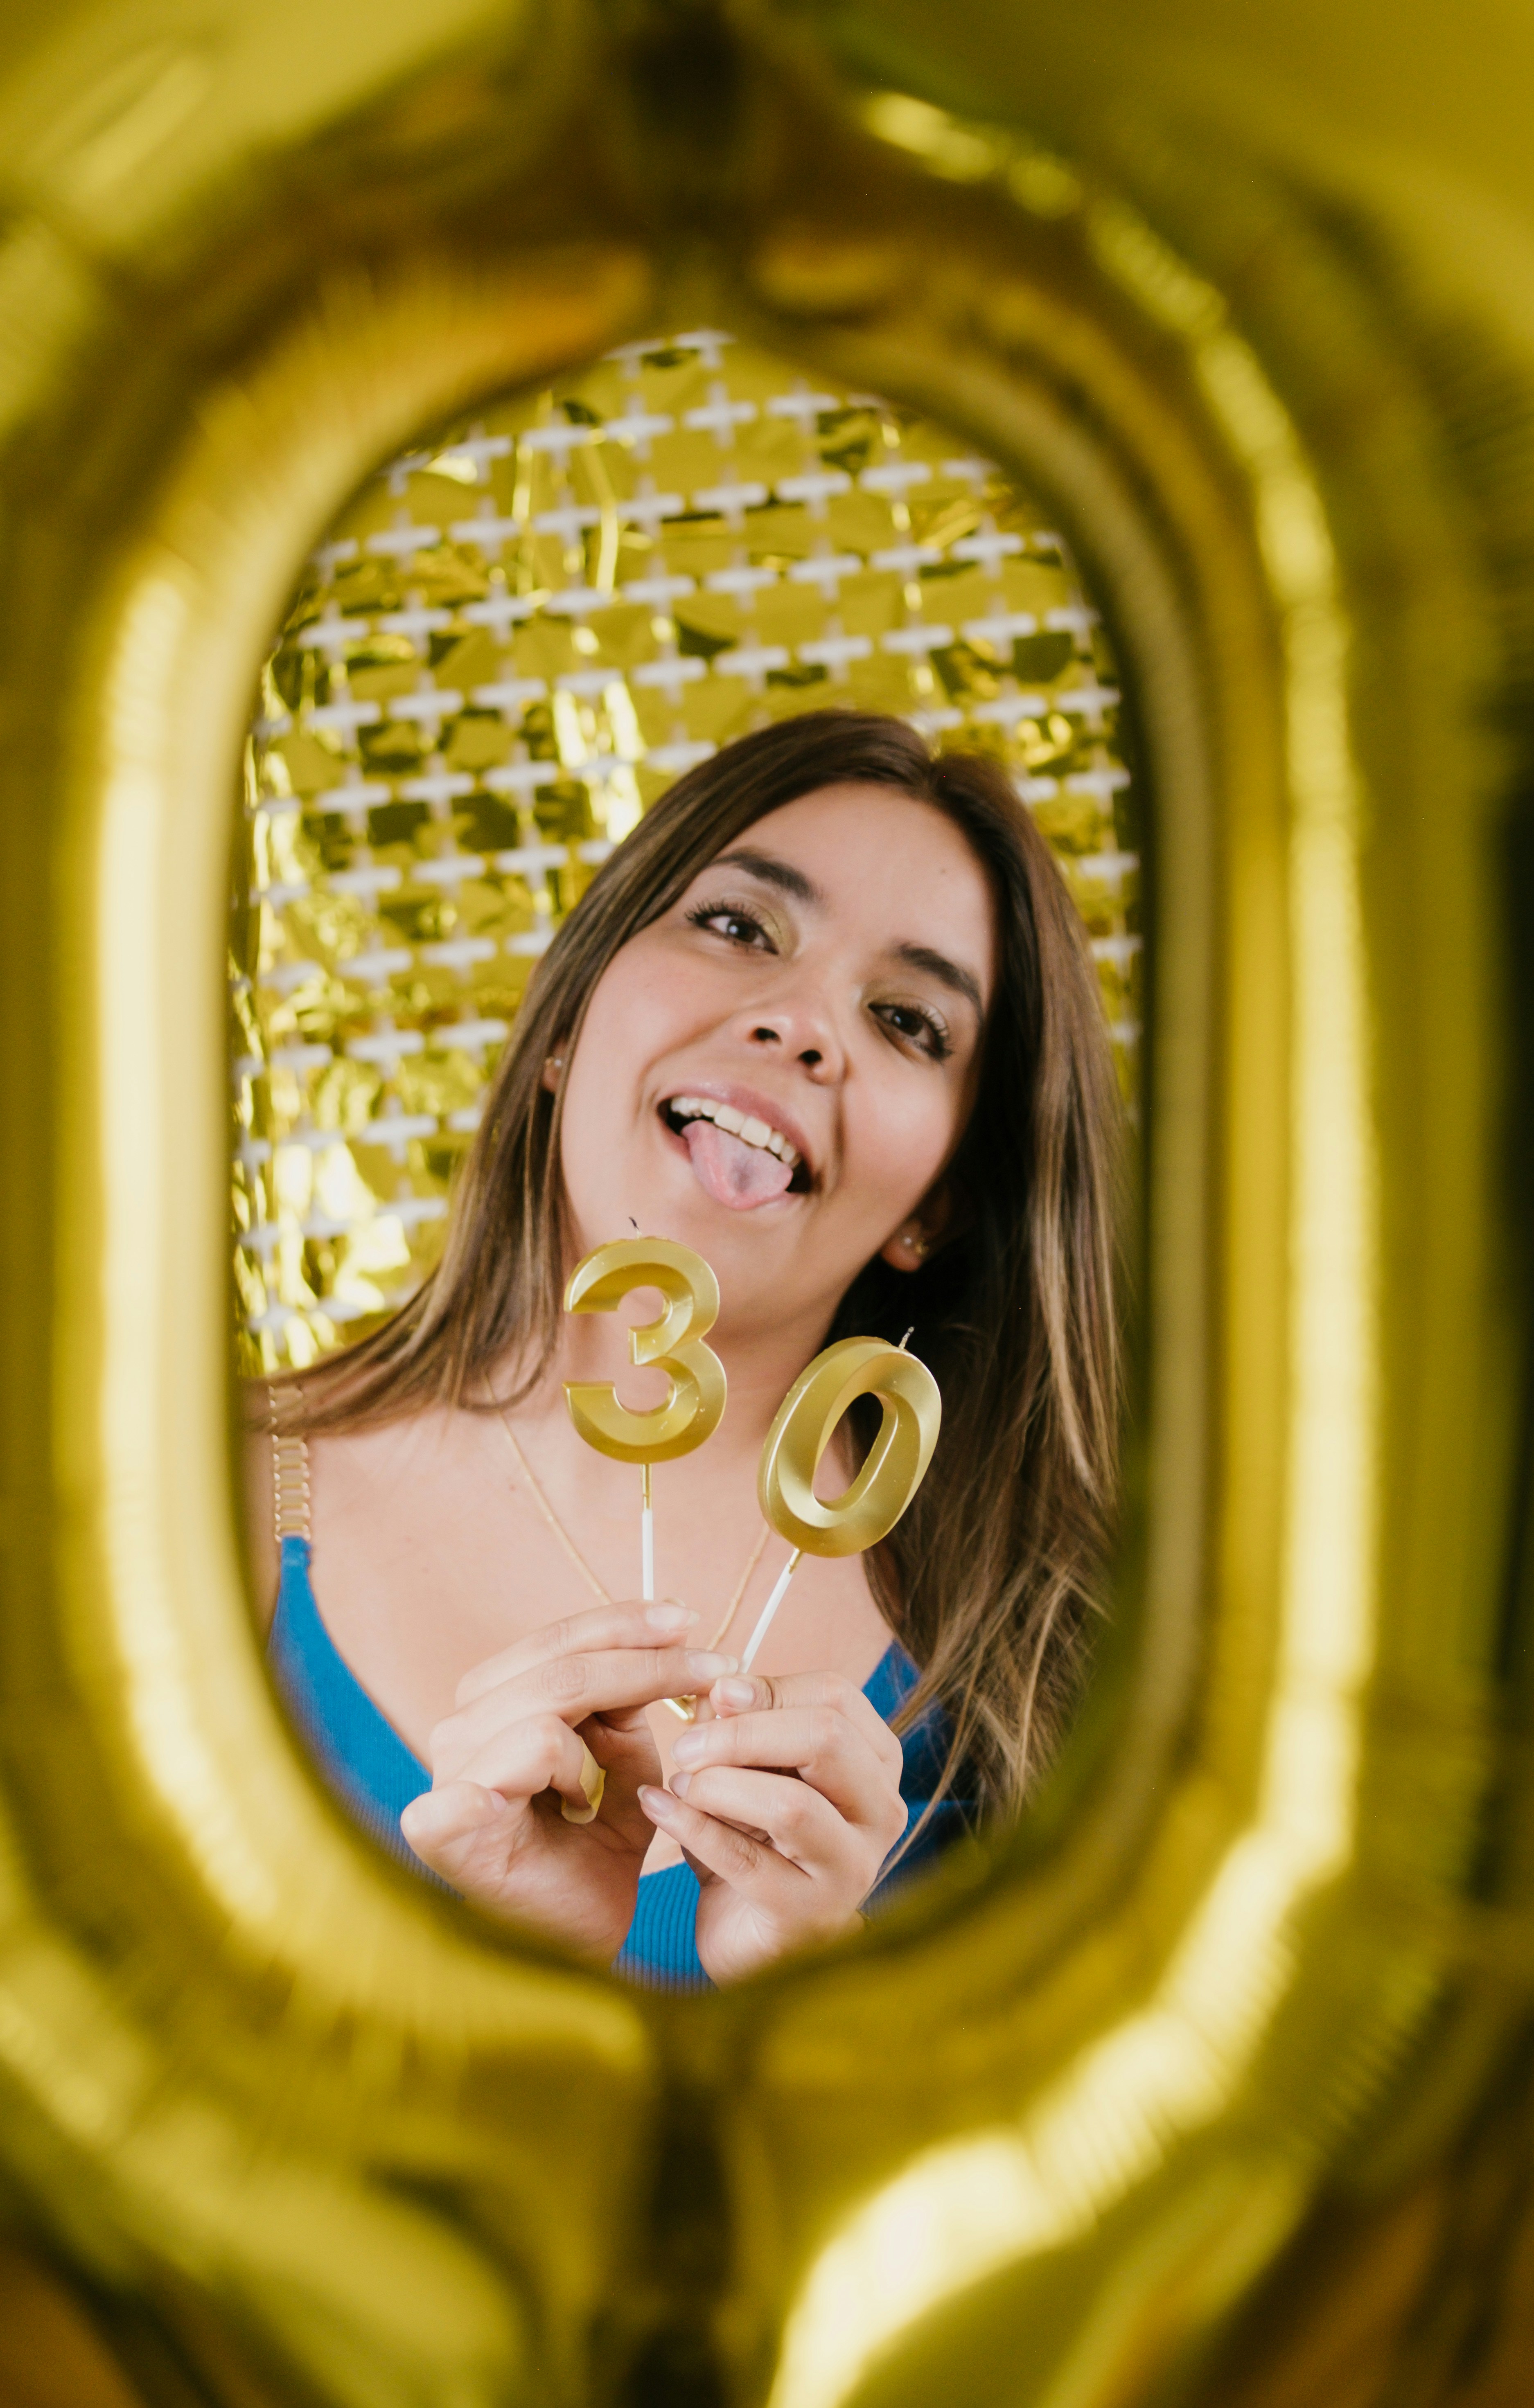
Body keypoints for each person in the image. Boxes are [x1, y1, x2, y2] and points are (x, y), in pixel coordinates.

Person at [244, 709, 1123, 1989]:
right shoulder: (173, 1504)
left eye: (907, 1021)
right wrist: (493, 1972)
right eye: (738, 927)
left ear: (938, 1204)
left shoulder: (1058, 1656)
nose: (803, 1022)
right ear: (565, 1025)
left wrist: (800, 2000)